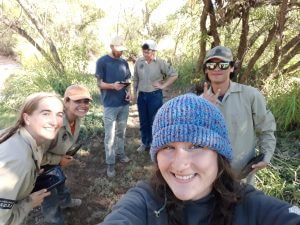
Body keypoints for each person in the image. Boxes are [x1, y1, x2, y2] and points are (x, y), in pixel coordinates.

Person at [98, 94, 300, 225]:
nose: (179, 164)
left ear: (219, 154)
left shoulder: (251, 206)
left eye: (195, 146)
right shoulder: (144, 200)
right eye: (168, 147)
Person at [201, 46, 276, 184]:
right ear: (206, 69)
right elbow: (191, 140)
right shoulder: (198, 102)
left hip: (243, 177)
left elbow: (267, 128)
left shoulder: (250, 95)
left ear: (231, 68)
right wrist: (204, 110)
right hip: (209, 178)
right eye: (211, 65)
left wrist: (266, 156)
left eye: (223, 65)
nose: (217, 69)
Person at [0, 92, 64, 225]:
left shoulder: (22, 136)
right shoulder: (19, 162)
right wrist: (29, 203)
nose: (55, 122)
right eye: (45, 113)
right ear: (27, 118)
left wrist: (33, 174)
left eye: (59, 114)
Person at [40, 84, 92, 225]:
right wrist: (58, 159)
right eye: (78, 101)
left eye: (86, 101)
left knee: (61, 181)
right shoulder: (52, 123)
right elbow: (35, 154)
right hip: (39, 169)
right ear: (66, 101)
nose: (83, 105)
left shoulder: (76, 117)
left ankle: (66, 202)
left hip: (54, 164)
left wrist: (61, 158)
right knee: (49, 199)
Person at [95, 35, 131, 177]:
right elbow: (99, 83)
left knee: (121, 132)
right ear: (111, 47)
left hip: (124, 103)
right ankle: (110, 164)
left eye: (122, 49)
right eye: (118, 49)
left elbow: (127, 79)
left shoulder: (124, 62)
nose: (121, 52)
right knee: (109, 136)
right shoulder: (102, 62)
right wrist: (112, 86)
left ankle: (121, 154)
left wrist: (129, 92)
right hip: (110, 104)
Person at [133, 40, 178, 152]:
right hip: (142, 96)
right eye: (144, 52)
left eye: (147, 52)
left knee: (154, 120)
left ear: (154, 51)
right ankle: (144, 143)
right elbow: (135, 79)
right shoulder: (139, 62)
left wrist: (163, 86)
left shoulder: (160, 63)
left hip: (154, 96)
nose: (145, 54)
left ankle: (154, 144)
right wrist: (134, 94)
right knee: (143, 121)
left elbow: (174, 75)